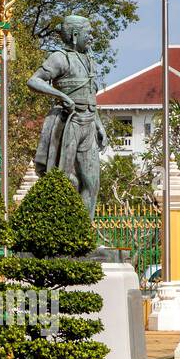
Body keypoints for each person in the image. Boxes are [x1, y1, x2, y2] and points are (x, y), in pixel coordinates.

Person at [27, 15, 107, 214]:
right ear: (75, 34)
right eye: (88, 33)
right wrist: (60, 95)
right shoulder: (59, 58)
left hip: (88, 123)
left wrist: (100, 126)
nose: (91, 38)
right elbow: (34, 81)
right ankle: (63, 228)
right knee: (65, 180)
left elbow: (90, 96)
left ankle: (85, 236)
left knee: (92, 182)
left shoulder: (89, 60)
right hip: (68, 123)